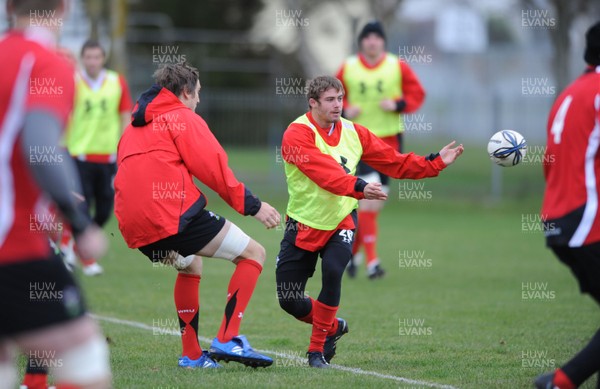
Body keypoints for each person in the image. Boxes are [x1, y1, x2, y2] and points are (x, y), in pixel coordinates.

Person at [275, 76, 463, 368]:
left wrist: (435, 162)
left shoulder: (354, 132)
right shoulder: (296, 134)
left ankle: (316, 352)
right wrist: (360, 186)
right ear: (313, 103)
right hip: (303, 222)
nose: (338, 105)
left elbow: (394, 161)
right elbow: (324, 173)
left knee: (334, 270)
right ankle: (333, 326)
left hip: (341, 219)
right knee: (289, 299)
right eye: (330, 100)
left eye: (340, 98)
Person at [114, 62, 281, 369]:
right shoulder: (180, 118)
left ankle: (191, 355)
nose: (199, 101)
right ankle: (228, 338)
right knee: (254, 254)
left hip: (133, 226)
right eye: (198, 94)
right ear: (186, 92)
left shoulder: (135, 125)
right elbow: (215, 169)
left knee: (191, 265)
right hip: (168, 217)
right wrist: (254, 206)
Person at [0, 1, 111, 388]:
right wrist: (78, 222)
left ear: (10, 6)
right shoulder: (46, 62)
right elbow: (38, 145)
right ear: (63, 8)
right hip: (12, 244)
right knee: (85, 357)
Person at [535, 21, 600, 389]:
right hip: (587, 221)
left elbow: (552, 163)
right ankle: (560, 382)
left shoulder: (571, 92)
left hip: (559, 219)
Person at [336, 21, 426, 279]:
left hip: (389, 144)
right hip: (359, 143)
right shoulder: (349, 67)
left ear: (383, 42)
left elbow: (417, 94)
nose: (372, 41)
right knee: (370, 201)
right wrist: (344, 109)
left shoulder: (397, 66)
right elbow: (330, 93)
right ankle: (373, 263)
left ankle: (352, 254)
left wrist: (398, 103)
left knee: (374, 206)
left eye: (377, 37)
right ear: (361, 42)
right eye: (367, 37)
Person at [63, 40, 133, 276]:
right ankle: (88, 258)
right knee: (81, 205)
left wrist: (124, 149)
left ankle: (72, 243)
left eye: (96, 57)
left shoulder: (116, 82)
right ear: (82, 59)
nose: (92, 61)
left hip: (108, 158)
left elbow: (125, 115)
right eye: (88, 57)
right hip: (78, 155)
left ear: (103, 59)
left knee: (104, 209)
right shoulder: (73, 81)